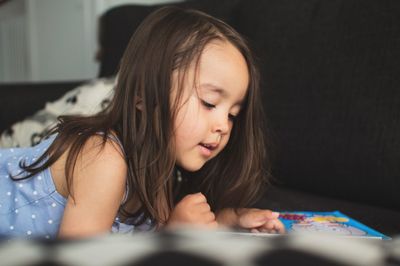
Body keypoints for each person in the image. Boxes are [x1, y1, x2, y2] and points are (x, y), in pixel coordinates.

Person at [0, 7, 284, 239]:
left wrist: (225, 220)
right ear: (144, 97)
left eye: (233, 114)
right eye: (209, 103)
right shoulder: (103, 156)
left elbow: (138, 239)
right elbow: (80, 260)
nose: (223, 125)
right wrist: (171, 238)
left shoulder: (159, 172)